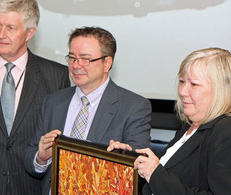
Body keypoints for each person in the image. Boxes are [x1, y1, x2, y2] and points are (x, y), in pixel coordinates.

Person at [0, 0, 70, 194]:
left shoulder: (55, 76)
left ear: (30, 32)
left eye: (10, 28)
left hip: (30, 188)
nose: (1, 35)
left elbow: (59, 148)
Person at [108, 47, 231, 194]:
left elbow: (162, 180)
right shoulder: (190, 127)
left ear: (221, 90)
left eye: (194, 84)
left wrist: (155, 174)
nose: (182, 91)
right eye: (182, 82)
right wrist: (129, 160)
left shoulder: (230, 131)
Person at [23, 26, 152, 195]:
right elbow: (30, 155)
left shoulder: (134, 107)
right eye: (72, 58)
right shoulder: (53, 102)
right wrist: (41, 158)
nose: (76, 65)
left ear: (107, 63)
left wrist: (121, 159)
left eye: (85, 59)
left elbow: (139, 171)